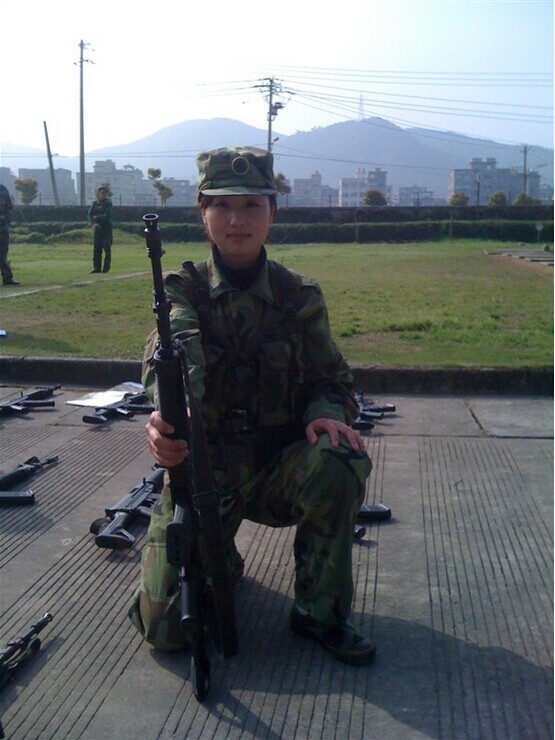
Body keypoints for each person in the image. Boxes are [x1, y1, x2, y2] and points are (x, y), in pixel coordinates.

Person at [129, 146, 375, 666]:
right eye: (221, 204)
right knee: (168, 629)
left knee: (340, 457)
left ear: (272, 213)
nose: (236, 219)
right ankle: (220, 556)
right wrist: (172, 415)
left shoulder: (298, 296)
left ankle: (319, 610)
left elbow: (332, 380)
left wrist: (325, 413)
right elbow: (172, 352)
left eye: (251, 205)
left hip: (278, 469)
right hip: (206, 473)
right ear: (202, 212)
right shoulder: (181, 290)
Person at [87, 185, 112, 273]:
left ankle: (106, 268)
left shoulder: (108, 204)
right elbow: (90, 215)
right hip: (97, 230)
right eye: (102, 193)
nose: (103, 195)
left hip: (106, 230)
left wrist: (96, 217)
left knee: (107, 250)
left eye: (104, 193)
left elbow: (106, 215)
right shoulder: (95, 204)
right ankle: (96, 268)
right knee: (96, 250)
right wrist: (94, 223)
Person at [0, 183, 18, 286]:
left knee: (3, 254)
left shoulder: (3, 189)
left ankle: (7, 278)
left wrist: (6, 219)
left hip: (2, 227)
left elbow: (9, 207)